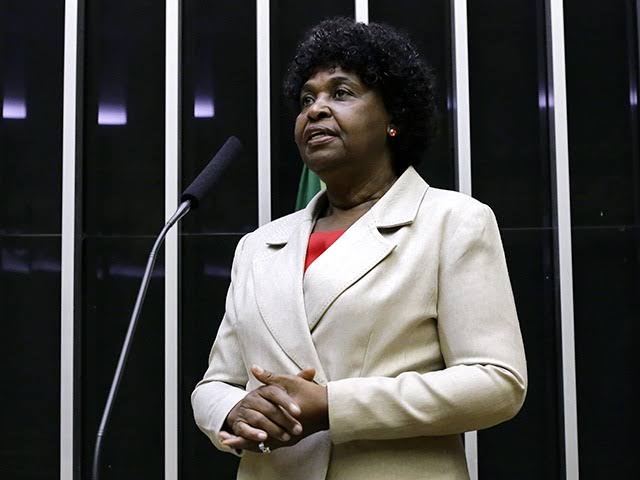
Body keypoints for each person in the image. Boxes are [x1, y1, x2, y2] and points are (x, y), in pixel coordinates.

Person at [191, 17, 527, 480]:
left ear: (394, 118)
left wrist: (334, 406)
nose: (316, 110)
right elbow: (216, 383)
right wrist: (233, 411)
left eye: (341, 93)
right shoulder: (258, 246)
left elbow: (497, 383)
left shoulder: (452, 222)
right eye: (307, 99)